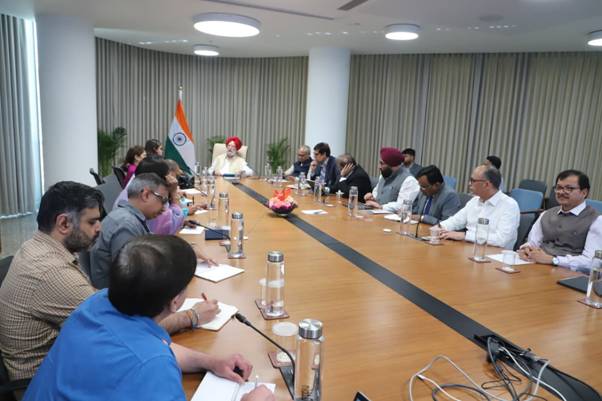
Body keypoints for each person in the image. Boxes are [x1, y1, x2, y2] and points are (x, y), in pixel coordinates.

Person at [0, 182, 217, 387]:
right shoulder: (52, 273)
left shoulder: (37, 247)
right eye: (92, 222)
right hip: (50, 384)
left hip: (67, 364)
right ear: (64, 223)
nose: (99, 228)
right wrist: (191, 317)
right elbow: (129, 332)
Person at [23, 236, 273, 401]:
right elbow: (149, 357)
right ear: (175, 301)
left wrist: (211, 362)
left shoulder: (97, 302)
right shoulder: (153, 366)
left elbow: (157, 347)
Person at [91, 173, 214, 289]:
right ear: (146, 195)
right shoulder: (125, 224)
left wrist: (185, 249)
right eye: (163, 200)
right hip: (119, 297)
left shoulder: (131, 217)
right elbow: (132, 275)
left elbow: (152, 243)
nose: (164, 208)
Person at [518, 170, 601, 272]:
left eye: (569, 188)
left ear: (584, 192)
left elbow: (592, 262)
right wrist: (526, 249)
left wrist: (554, 260)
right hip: (537, 268)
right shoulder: (546, 214)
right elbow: (532, 243)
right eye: (559, 188)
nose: (561, 192)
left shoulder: (596, 220)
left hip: (568, 274)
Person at [439, 165, 520, 249]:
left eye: (473, 181)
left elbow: (501, 240)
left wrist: (465, 236)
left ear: (486, 184)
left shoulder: (509, 205)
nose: (469, 184)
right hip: (469, 248)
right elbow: (456, 221)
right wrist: (440, 227)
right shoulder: (474, 201)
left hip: (494, 253)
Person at [364, 147, 420, 212]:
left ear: (392, 165)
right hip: (377, 214)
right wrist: (372, 198)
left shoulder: (409, 180)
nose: (379, 167)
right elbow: (376, 193)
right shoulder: (384, 175)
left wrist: (381, 207)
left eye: (382, 163)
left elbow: (403, 206)